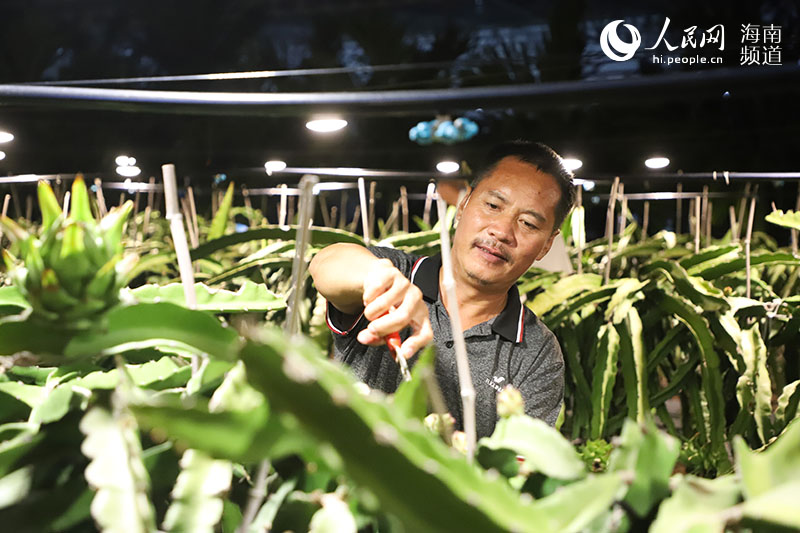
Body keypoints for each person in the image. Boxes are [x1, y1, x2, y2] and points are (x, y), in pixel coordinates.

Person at [309, 140, 576, 438]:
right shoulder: (396, 274)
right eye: (492, 205)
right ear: (463, 205)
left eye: (527, 223)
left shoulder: (538, 353)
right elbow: (327, 263)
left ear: (546, 246)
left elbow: (522, 463)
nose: (501, 231)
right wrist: (376, 277)